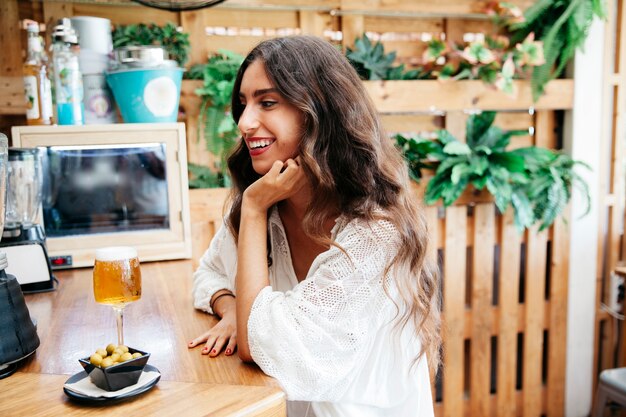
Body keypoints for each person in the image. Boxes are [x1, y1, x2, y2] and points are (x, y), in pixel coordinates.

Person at [188, 35, 440, 417]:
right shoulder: (267, 206)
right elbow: (209, 273)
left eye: (267, 103)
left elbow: (261, 346)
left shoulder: (375, 233)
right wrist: (233, 309)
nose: (244, 122)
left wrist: (254, 208)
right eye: (242, 105)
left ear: (318, 111)